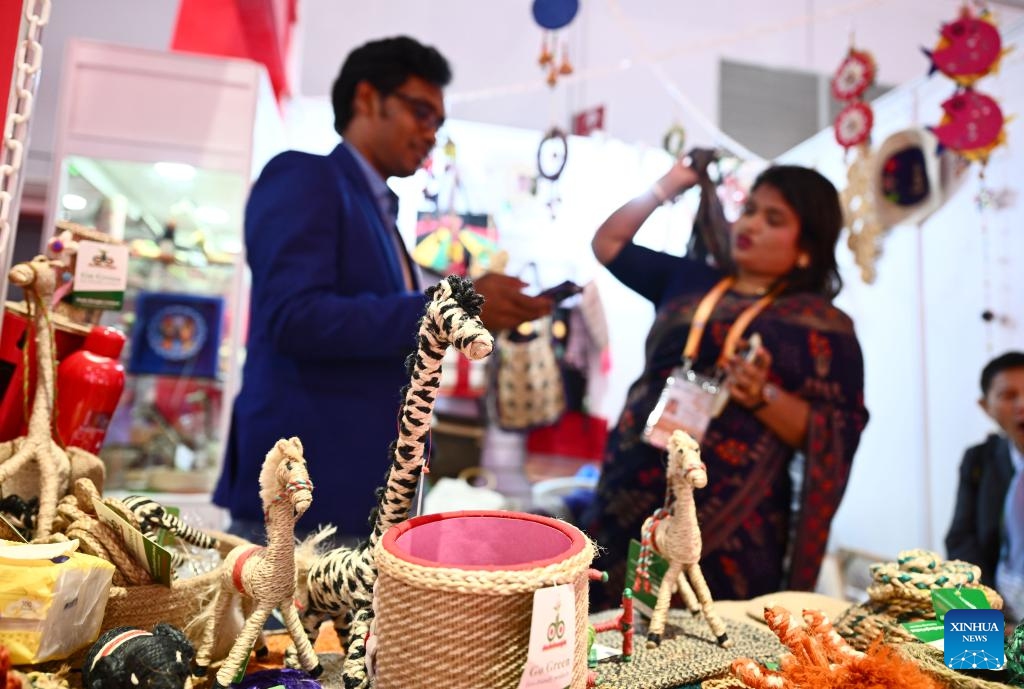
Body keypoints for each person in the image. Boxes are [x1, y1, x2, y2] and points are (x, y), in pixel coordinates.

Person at [213, 36, 552, 543]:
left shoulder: (383, 215)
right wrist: (447, 308)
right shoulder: (305, 177)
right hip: (306, 493)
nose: (430, 134)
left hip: (361, 496)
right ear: (367, 99)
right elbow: (294, 317)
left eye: (438, 122)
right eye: (420, 112)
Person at [583, 160, 869, 606]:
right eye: (749, 209)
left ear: (806, 247)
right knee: (609, 624)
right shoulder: (692, 279)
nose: (750, 224)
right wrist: (669, 185)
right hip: (631, 487)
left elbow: (833, 431)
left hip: (733, 524)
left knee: (712, 648)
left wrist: (762, 396)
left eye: (773, 219)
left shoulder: (823, 327)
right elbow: (608, 242)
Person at [945, 351, 1024, 620]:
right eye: (1008, 395)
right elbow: (959, 540)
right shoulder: (979, 459)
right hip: (998, 601)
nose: (1022, 404)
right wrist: (989, 611)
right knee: (961, 656)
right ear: (986, 405)